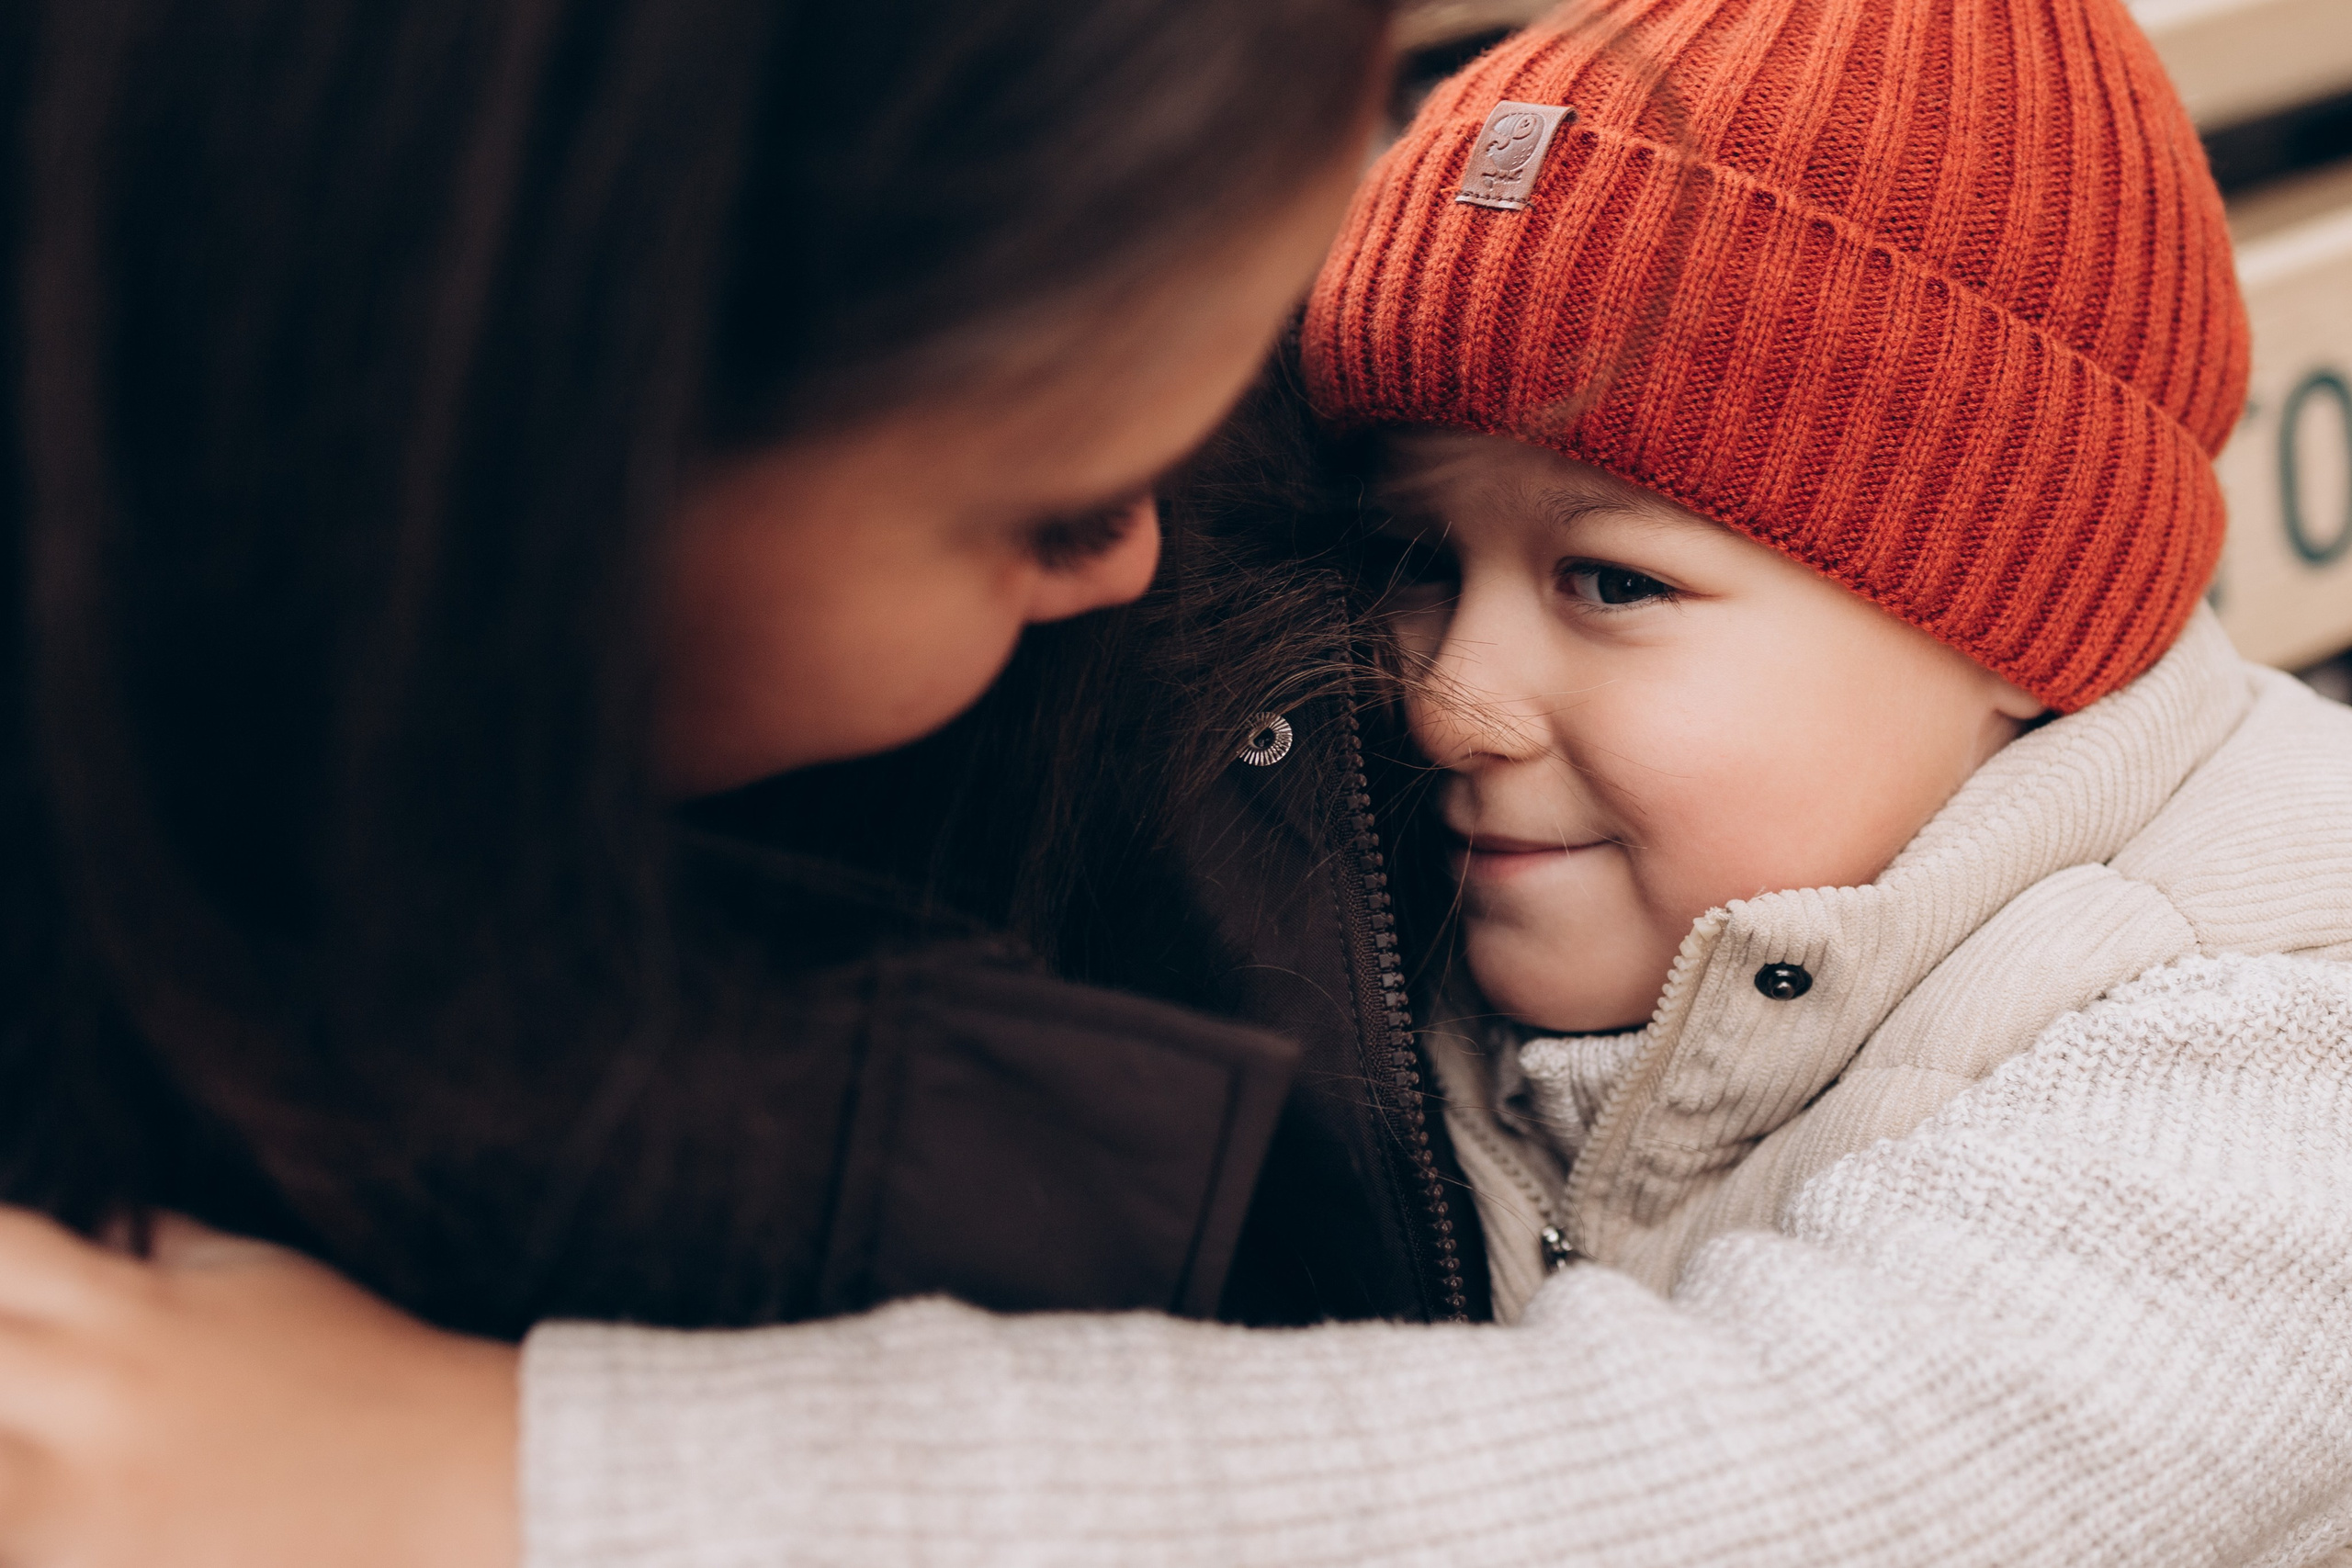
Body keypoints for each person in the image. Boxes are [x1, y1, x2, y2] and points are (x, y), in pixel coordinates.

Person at [7, 3, 2352, 1567]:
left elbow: (1773, 1479)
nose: (1440, 689)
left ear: (2012, 629)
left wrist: (520, 1472)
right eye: (1417, 561)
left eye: (1614, 583)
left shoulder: (2256, 1034)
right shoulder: (1563, 930)